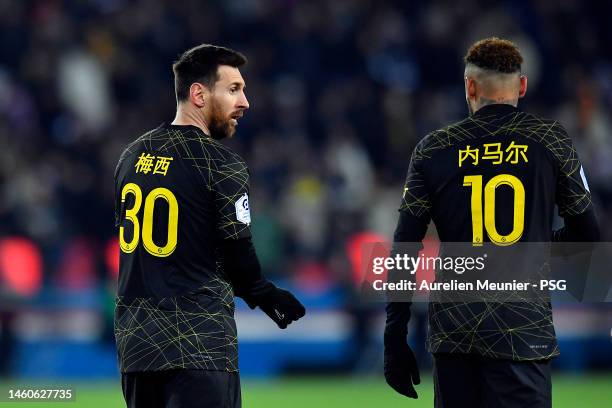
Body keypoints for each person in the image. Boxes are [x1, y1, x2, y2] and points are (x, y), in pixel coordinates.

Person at [383, 37, 599, 407]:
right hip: (522, 329)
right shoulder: (550, 139)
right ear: (522, 85)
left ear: (469, 86)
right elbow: (588, 234)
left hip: (455, 332)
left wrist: (394, 338)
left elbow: (405, 248)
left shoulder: (433, 148)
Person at [114, 44, 306, 408]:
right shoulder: (220, 164)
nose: (245, 101)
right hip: (199, 343)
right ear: (199, 93)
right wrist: (264, 294)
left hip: (137, 346)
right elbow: (239, 255)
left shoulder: (131, 156)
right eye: (233, 89)